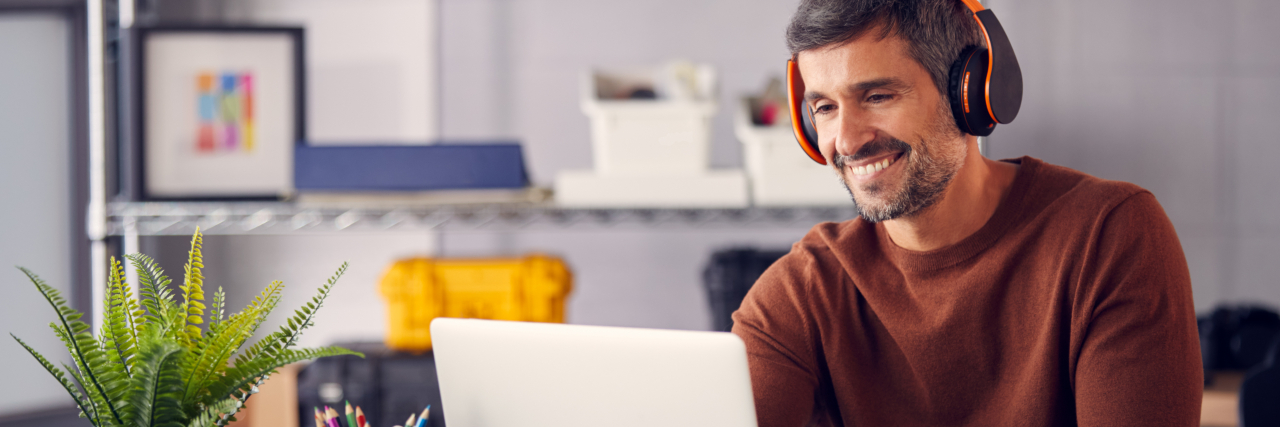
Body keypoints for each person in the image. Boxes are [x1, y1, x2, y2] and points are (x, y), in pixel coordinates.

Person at [729, 0, 1203, 426]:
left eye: (877, 97)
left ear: (970, 95)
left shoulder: (1108, 236)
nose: (847, 141)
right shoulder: (802, 291)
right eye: (826, 108)